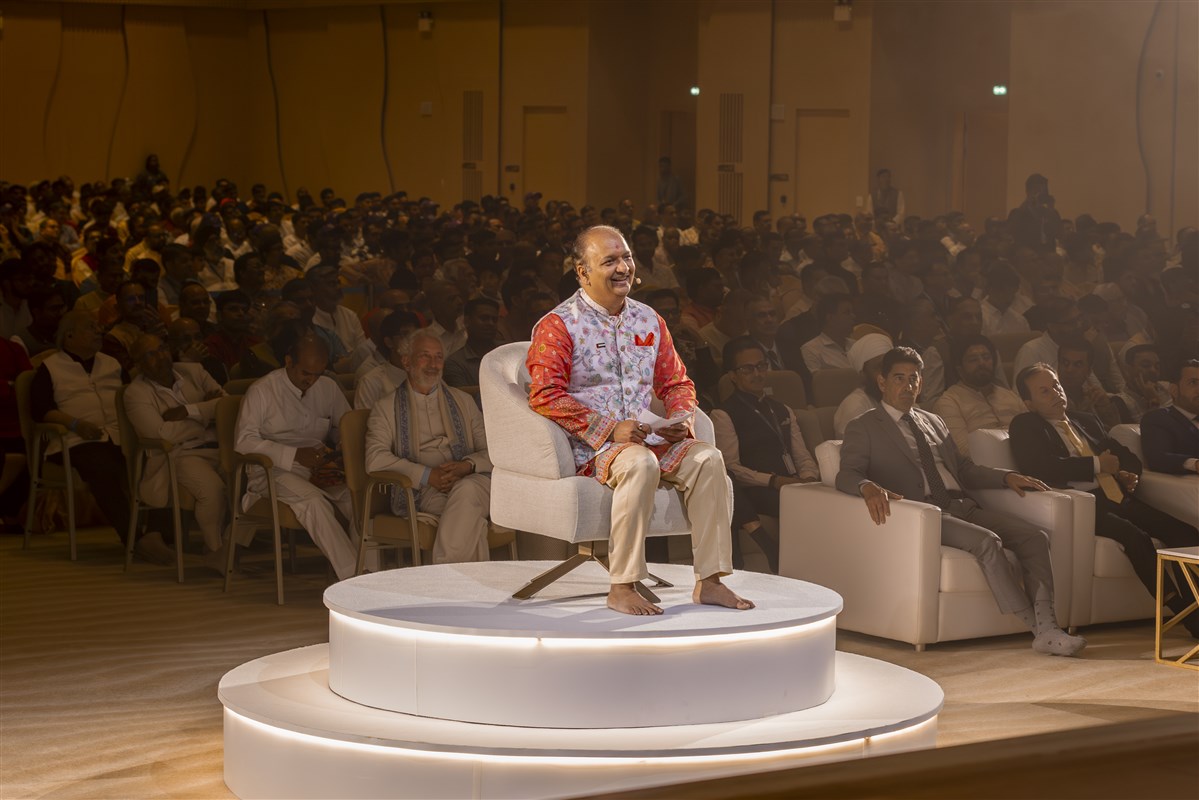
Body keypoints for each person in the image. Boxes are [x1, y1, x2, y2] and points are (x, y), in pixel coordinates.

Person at [527, 224, 751, 616]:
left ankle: (711, 581)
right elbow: (545, 394)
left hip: (654, 437)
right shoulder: (558, 325)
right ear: (582, 272)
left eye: (626, 257)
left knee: (708, 459)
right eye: (609, 261)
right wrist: (610, 428)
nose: (623, 267)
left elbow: (677, 381)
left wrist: (680, 417)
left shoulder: (649, 320)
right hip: (597, 447)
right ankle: (623, 585)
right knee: (639, 461)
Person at [836, 346, 1085, 656]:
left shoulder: (933, 421)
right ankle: (1039, 629)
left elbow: (964, 469)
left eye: (914, 379)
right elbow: (846, 474)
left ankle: (1049, 623)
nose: (908, 386)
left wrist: (1005, 477)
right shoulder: (864, 426)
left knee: (1034, 537)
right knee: (987, 541)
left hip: (962, 505)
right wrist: (867, 486)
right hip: (924, 512)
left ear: (922, 384)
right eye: (899, 378)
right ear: (882, 382)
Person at [1010, 364, 1199, 637]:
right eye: (1044, 391)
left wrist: (1126, 473)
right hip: (1083, 503)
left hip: (1118, 496)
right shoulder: (1026, 424)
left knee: (1185, 533)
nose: (1056, 393)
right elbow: (1040, 467)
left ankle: (1197, 605)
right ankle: (1185, 611)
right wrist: (1097, 465)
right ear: (1029, 403)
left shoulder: (1085, 420)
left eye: (1057, 385)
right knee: (1136, 538)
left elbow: (1128, 457)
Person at [30, 310, 174, 564]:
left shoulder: (111, 363)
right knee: (102, 467)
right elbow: (40, 410)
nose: (99, 332)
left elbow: (130, 397)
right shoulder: (50, 367)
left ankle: (155, 534)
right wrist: (75, 424)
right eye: (91, 328)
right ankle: (133, 538)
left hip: (120, 435)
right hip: (77, 440)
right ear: (69, 335)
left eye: (98, 327)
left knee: (159, 457)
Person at [234, 333, 368, 580]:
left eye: (318, 373)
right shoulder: (263, 390)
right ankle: (355, 578)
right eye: (306, 373)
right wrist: (294, 454)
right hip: (271, 471)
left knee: (357, 500)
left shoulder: (327, 386)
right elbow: (243, 442)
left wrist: (340, 451)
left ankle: (374, 572)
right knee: (313, 503)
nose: (312, 380)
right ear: (288, 362)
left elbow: (345, 427)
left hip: (319, 467)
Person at [364, 331, 494, 564]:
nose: (434, 365)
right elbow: (375, 458)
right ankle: (465, 589)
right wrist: (426, 475)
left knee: (466, 492)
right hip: (425, 491)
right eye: (425, 356)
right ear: (406, 361)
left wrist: (467, 466)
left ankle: (443, 577)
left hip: (476, 480)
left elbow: (493, 450)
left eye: (438, 357)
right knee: (469, 517)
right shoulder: (386, 407)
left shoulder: (463, 401)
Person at [124, 334, 246, 572]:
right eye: (150, 354)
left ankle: (233, 542)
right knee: (212, 490)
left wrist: (189, 410)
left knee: (252, 481)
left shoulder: (194, 371)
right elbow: (162, 434)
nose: (160, 356)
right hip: (181, 455)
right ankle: (214, 549)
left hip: (220, 447)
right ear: (138, 364)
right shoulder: (136, 393)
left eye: (161, 349)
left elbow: (229, 405)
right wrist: (205, 417)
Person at [712, 337, 819, 573]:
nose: (757, 373)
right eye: (747, 369)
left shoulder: (782, 408)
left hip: (794, 483)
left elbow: (802, 455)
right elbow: (732, 468)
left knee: (825, 500)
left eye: (761, 366)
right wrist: (776, 481)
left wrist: (809, 478)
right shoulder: (724, 414)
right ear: (732, 375)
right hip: (760, 488)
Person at [932, 335, 1028, 455]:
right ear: (959, 369)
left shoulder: (1010, 396)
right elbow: (962, 451)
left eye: (986, 357)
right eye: (973, 360)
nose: (982, 363)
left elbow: (1033, 432)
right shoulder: (949, 402)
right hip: (987, 467)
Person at [1141, 359, 1199, 474]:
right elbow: (1158, 458)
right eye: (1193, 383)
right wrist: (1195, 464)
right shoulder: (1158, 418)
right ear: (1174, 390)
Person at [354, 310, 419, 411]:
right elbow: (368, 425)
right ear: (389, 342)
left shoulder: (429, 375)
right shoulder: (371, 383)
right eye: (405, 335)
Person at [834, 333, 891, 438]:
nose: (888, 373)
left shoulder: (901, 398)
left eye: (891, 365)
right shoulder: (855, 406)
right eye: (880, 367)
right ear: (863, 374)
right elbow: (856, 452)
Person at [444, 297, 500, 391]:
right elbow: (460, 397)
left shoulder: (508, 352)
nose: (491, 323)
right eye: (484, 318)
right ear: (467, 321)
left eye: (494, 320)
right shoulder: (455, 362)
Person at [202, 289, 260, 371]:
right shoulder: (211, 346)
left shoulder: (255, 344)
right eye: (233, 309)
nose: (241, 313)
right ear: (219, 315)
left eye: (244, 310)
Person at [800, 292, 856, 373]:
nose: (853, 316)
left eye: (852, 312)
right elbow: (819, 383)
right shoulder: (811, 349)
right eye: (847, 313)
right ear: (830, 318)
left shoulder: (856, 345)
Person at [1118, 343, 1172, 422]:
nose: (1153, 370)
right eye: (1146, 365)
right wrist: (1153, 400)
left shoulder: (1168, 387)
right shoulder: (1122, 403)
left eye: (1157, 366)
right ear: (1128, 370)